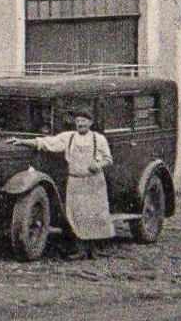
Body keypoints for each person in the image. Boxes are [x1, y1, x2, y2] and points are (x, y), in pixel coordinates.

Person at [10, 107, 114, 259]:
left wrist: (98, 165)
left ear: (90, 123)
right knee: (75, 215)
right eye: (78, 121)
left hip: (93, 182)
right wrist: (22, 141)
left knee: (94, 215)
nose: (80, 124)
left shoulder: (99, 139)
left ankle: (93, 249)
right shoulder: (69, 137)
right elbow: (46, 142)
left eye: (84, 121)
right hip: (75, 181)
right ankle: (79, 249)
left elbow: (108, 159)